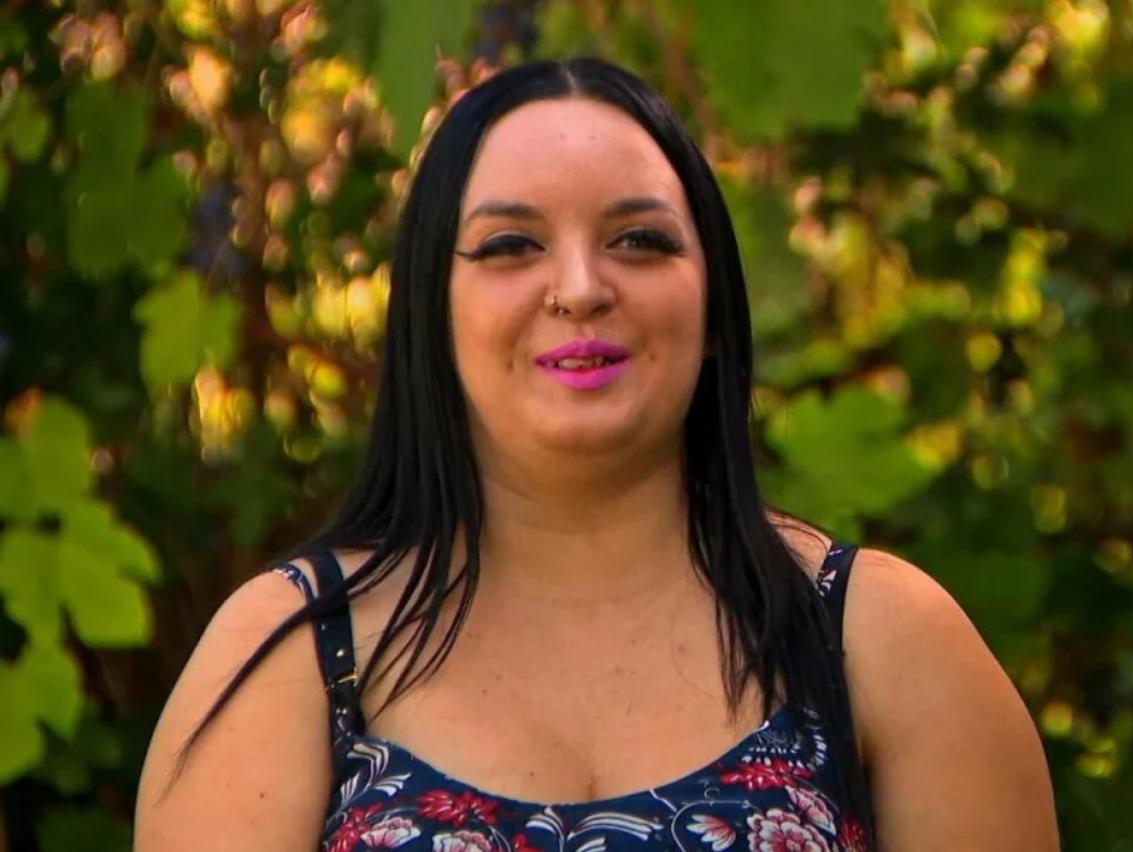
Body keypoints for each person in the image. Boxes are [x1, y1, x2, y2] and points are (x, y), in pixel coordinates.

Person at [135, 58, 1058, 851]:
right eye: (510, 245)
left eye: (639, 241)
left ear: (713, 305)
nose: (579, 288)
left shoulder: (879, 642)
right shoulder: (289, 657)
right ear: (430, 312)